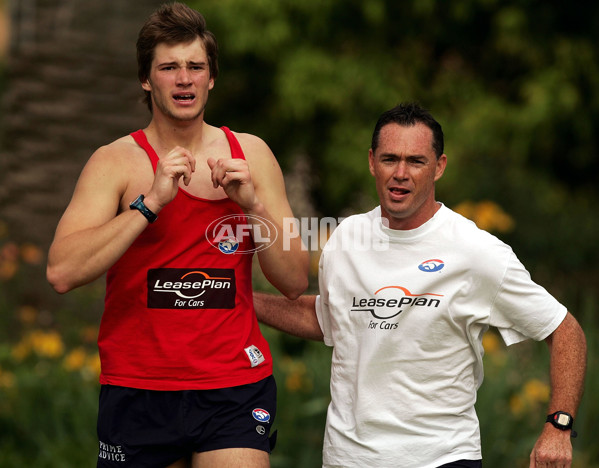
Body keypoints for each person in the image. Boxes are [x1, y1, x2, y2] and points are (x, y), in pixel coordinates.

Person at [254, 102, 587, 468]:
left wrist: (558, 426)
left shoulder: (476, 251)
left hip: (442, 457)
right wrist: (243, 299)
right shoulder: (346, 237)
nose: (400, 173)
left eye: (416, 161)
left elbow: (565, 329)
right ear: (370, 162)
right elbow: (329, 318)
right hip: (347, 458)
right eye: (389, 159)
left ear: (439, 167)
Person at [46, 3, 308, 467]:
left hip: (232, 384)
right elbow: (63, 271)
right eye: (169, 67)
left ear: (211, 78)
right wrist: (148, 204)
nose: (183, 78)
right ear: (147, 80)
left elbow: (293, 282)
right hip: (139, 385)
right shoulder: (114, 162)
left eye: (195, 66)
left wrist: (254, 206)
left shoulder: (251, 155)